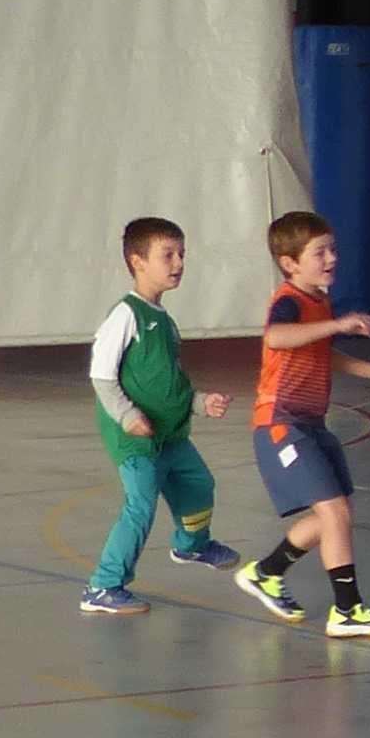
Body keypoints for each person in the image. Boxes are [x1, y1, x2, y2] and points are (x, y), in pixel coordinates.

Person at [234, 210, 370, 638]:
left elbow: (317, 352)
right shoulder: (290, 300)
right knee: (334, 512)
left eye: (332, 249)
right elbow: (276, 337)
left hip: (311, 422)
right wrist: (337, 323)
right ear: (290, 263)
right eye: (319, 252)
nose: (331, 258)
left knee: (337, 515)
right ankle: (347, 610)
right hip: (280, 423)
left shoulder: (318, 301)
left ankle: (265, 573)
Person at [79, 217, 238, 618]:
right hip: (135, 439)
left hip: (170, 434)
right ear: (138, 262)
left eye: (182, 254)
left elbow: (168, 382)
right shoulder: (126, 315)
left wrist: (201, 403)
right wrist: (127, 415)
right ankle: (103, 586)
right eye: (167, 255)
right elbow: (101, 375)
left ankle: (192, 545)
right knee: (141, 505)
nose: (179, 263)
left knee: (198, 484)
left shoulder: (164, 322)